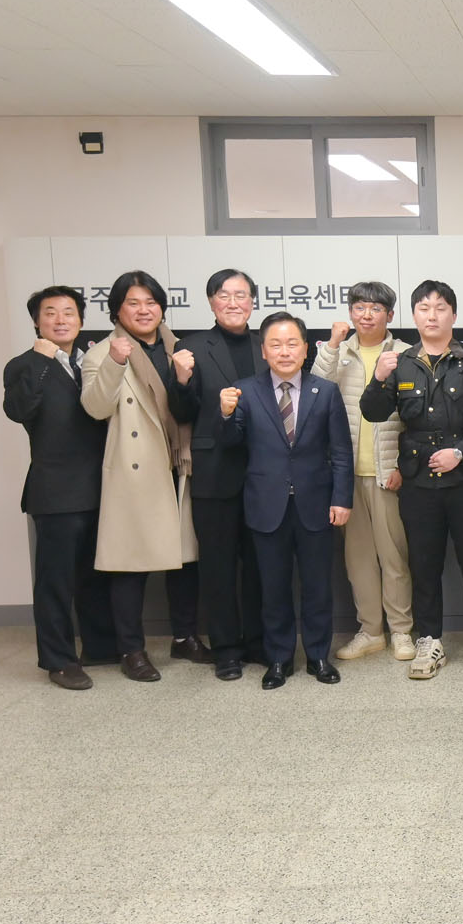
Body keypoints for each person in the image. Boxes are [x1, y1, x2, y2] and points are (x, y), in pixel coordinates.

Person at [362, 280, 463, 679]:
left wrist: (460, 451)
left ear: (453, 315)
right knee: (424, 565)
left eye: (440, 307)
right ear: (413, 316)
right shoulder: (400, 362)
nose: (432, 315)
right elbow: (373, 412)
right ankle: (429, 641)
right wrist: (378, 378)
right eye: (424, 308)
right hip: (418, 483)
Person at [217, 312, 352, 689]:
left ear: (306, 349)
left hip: (316, 505)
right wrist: (225, 415)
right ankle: (278, 659)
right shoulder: (245, 390)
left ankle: (318, 656)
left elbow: (341, 451)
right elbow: (230, 443)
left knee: (318, 587)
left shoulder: (325, 391)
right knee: (273, 589)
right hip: (266, 505)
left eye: (292, 343)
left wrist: (342, 499)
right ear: (263, 351)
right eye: (275, 344)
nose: (285, 351)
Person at [80, 270, 204, 682]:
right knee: (131, 565)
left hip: (179, 463)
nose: (144, 310)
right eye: (133, 303)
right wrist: (115, 362)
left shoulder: (179, 348)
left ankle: (184, 637)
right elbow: (95, 407)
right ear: (117, 310)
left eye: (151, 302)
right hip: (136, 470)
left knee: (183, 560)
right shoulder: (102, 353)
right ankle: (131, 650)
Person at [3, 286, 116, 689]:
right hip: (56, 493)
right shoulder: (24, 364)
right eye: (50, 313)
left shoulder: (91, 361)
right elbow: (19, 410)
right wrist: (41, 360)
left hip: (101, 487)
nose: (61, 319)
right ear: (37, 322)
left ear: (81, 320)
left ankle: (100, 647)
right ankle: (59, 660)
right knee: (56, 582)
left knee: (95, 575)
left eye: (69, 312)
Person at [312, 281, 416, 664]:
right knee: (358, 561)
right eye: (359, 307)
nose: (366, 315)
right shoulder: (337, 352)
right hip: (346, 476)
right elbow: (314, 392)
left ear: (390, 314)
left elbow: (416, 417)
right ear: (350, 312)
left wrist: (402, 465)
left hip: (388, 474)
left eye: (375, 308)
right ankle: (371, 632)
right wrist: (332, 345)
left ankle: (401, 631)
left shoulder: (405, 353)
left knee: (394, 557)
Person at [176, 269, 264, 680]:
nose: (233, 302)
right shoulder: (191, 347)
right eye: (224, 295)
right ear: (211, 302)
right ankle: (226, 648)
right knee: (218, 566)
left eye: (241, 295)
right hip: (214, 473)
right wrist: (181, 380)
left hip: (263, 472)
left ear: (252, 301)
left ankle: (259, 642)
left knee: (261, 564)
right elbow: (182, 412)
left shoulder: (268, 343)